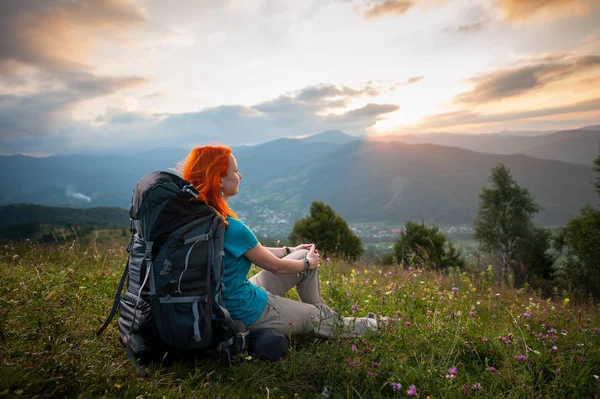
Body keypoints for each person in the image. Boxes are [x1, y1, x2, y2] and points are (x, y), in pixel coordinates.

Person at [179, 145, 378, 338]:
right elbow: (277, 268)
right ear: (219, 180)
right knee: (314, 312)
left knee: (300, 255)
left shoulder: (201, 217)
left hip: (220, 302)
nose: (240, 176)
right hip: (244, 311)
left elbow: (253, 250)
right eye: (236, 170)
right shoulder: (230, 226)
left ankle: (327, 320)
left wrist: (289, 249)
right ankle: (375, 325)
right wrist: (308, 263)